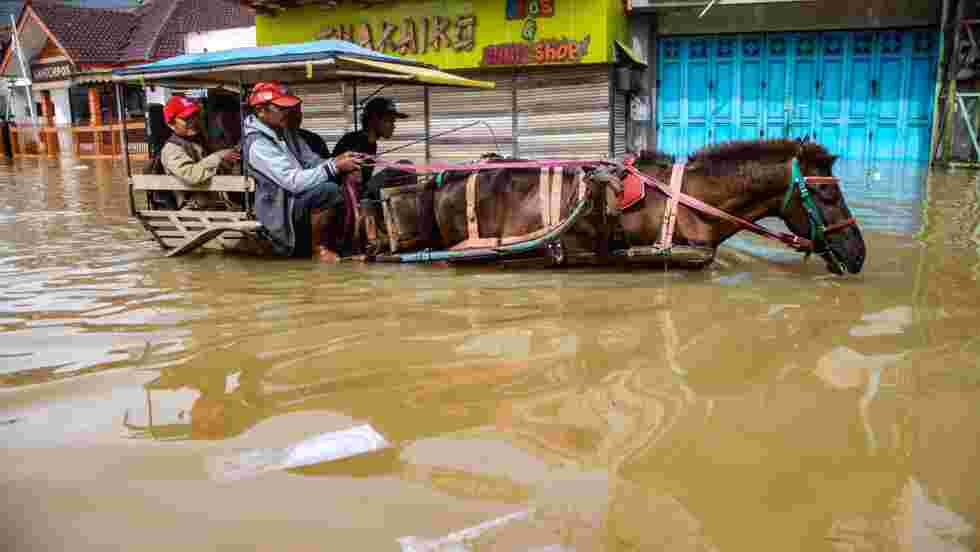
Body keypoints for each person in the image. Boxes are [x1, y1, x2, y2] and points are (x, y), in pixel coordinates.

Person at [241, 81, 363, 262]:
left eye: (288, 108)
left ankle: (343, 243)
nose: (287, 113)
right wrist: (334, 166)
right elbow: (293, 182)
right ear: (261, 110)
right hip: (279, 207)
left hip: (294, 199)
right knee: (327, 192)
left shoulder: (286, 133)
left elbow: (312, 161)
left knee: (338, 182)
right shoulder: (258, 143)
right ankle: (318, 250)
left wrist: (342, 163)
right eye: (281, 108)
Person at [160, 95, 241, 209]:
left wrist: (231, 153)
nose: (193, 121)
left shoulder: (198, 141)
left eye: (194, 116)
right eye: (186, 119)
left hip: (216, 205)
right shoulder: (172, 149)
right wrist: (217, 157)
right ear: (171, 124)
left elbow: (218, 156)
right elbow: (191, 174)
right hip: (196, 210)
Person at [332, 96, 408, 193]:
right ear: (374, 119)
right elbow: (352, 180)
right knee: (405, 165)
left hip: (361, 190)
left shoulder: (371, 143)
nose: (394, 126)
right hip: (348, 194)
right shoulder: (355, 141)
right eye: (389, 121)